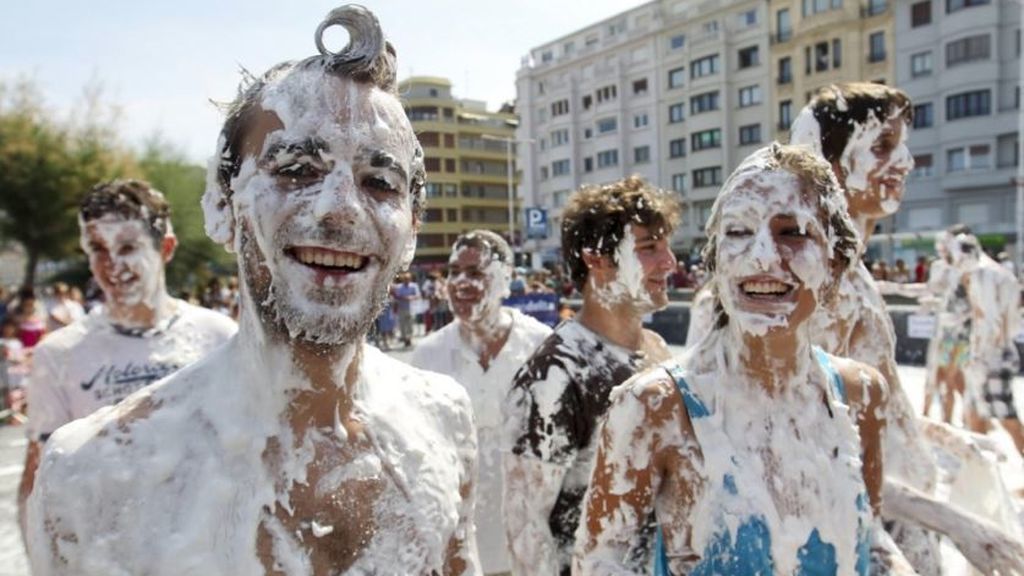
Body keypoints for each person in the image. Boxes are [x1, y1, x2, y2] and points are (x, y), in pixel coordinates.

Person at [26, 7, 479, 575]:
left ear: (411, 228)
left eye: (379, 182)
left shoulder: (443, 419)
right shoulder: (95, 473)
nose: (340, 207)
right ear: (222, 206)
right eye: (297, 169)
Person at [576, 143, 913, 575]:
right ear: (716, 262)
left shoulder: (860, 393)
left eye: (792, 232)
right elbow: (600, 562)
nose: (763, 257)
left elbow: (870, 535)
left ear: (833, 267)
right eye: (738, 232)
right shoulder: (654, 407)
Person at [788, 82, 1024, 575]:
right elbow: (811, 447)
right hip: (862, 532)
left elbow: (873, 406)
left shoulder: (852, 274)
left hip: (897, 515)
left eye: (903, 144)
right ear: (830, 168)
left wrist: (943, 435)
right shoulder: (814, 287)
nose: (908, 162)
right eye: (882, 147)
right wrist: (955, 523)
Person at [17, 178, 238, 543]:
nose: (112, 264)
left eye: (128, 247)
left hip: (204, 550)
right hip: (105, 553)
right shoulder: (58, 354)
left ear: (165, 248)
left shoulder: (218, 336)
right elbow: (39, 482)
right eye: (98, 248)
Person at [503, 176, 679, 576]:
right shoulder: (553, 375)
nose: (669, 262)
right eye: (649, 247)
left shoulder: (656, 349)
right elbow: (525, 531)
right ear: (595, 259)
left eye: (665, 246)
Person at [412, 230, 551, 575]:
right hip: (457, 546)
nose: (460, 282)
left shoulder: (542, 347)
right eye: (453, 271)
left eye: (475, 272)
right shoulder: (428, 355)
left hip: (532, 544)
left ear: (505, 280)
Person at [950, 232, 1024, 454]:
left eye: (955, 258)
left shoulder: (985, 274)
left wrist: (981, 359)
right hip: (985, 355)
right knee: (975, 418)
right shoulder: (984, 273)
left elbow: (992, 322)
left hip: (992, 356)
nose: (955, 264)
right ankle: (983, 479)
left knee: (1006, 418)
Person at [391, 271, 420, 347]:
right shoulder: (399, 287)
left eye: (408, 278)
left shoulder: (414, 286)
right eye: (405, 278)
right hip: (402, 308)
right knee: (402, 325)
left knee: (410, 324)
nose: (406, 280)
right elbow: (396, 296)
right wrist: (403, 298)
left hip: (411, 308)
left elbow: (418, 295)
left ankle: (409, 338)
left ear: (410, 279)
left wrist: (411, 297)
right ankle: (405, 338)